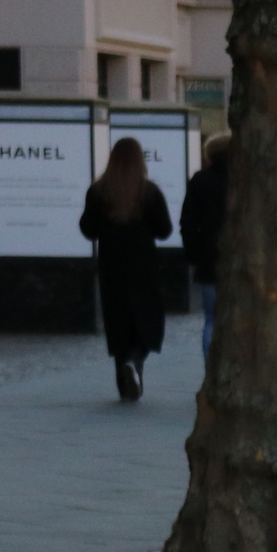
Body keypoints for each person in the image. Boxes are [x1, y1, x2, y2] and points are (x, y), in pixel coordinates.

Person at [77, 137, 172, 402]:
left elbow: (88, 229)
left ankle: (124, 376)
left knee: (118, 321)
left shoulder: (98, 192)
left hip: (112, 265)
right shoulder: (149, 192)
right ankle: (135, 361)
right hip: (143, 264)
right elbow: (164, 230)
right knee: (147, 320)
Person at [179, 133, 232, 359]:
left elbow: (188, 223)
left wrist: (194, 255)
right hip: (245, 260)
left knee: (212, 319)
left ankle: (211, 371)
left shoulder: (200, 180)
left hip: (211, 259)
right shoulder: (247, 179)